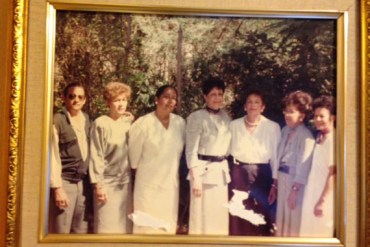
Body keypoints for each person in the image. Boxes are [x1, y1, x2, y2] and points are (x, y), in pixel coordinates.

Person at [128, 85, 185, 234]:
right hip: (148, 188)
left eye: (174, 98)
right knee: (147, 230)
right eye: (166, 97)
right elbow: (133, 160)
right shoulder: (142, 124)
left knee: (167, 230)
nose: (170, 101)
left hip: (170, 188)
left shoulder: (180, 123)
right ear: (156, 100)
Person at [229, 89, 281, 236]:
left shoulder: (272, 127)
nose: (253, 105)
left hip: (262, 174)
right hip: (239, 172)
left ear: (262, 107)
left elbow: (276, 156)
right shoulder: (234, 125)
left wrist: (274, 183)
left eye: (256, 102)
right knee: (239, 212)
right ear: (245, 106)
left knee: (262, 213)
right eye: (250, 102)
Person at [185, 77, 231, 235]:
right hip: (202, 174)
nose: (217, 98)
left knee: (218, 216)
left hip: (221, 174)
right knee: (201, 217)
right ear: (205, 97)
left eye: (220, 94)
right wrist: (195, 177)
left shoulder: (226, 117)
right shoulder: (196, 117)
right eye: (213, 94)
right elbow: (191, 150)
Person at [89, 82, 133, 233]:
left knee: (124, 228)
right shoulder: (100, 123)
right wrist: (98, 186)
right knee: (106, 228)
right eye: (116, 100)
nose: (121, 104)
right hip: (106, 184)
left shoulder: (129, 123)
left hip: (125, 183)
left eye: (124, 100)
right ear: (108, 102)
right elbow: (96, 155)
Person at [49, 82, 91, 233]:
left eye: (80, 97)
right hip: (65, 182)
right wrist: (57, 188)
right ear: (64, 98)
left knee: (81, 230)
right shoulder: (57, 120)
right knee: (62, 229)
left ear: (85, 100)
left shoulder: (86, 119)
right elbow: (52, 155)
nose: (76, 100)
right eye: (72, 96)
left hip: (82, 184)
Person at [273, 91, 315, 237]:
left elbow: (304, 168)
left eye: (291, 112)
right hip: (282, 180)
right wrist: (275, 184)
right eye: (286, 111)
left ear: (302, 116)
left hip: (295, 185)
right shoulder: (284, 131)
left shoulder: (307, 137)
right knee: (281, 221)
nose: (287, 114)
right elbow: (279, 159)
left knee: (293, 223)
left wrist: (294, 191)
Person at [300, 95, 336, 237]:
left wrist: (322, 201)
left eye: (322, 116)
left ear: (332, 118)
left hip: (324, 198)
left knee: (321, 235)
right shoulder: (320, 137)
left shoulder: (333, 140)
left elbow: (333, 173)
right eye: (315, 116)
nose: (317, 120)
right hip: (311, 194)